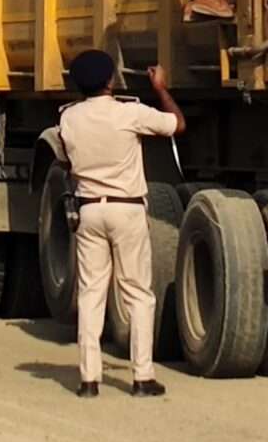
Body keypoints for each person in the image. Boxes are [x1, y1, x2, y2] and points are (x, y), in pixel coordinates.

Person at [54, 49, 183, 399]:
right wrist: (161, 88)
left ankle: (89, 380)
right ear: (110, 80)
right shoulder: (129, 113)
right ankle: (142, 377)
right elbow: (177, 124)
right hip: (127, 210)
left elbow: (65, 161)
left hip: (89, 210)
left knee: (91, 294)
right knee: (137, 293)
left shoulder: (68, 118)